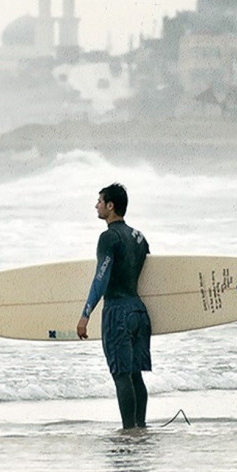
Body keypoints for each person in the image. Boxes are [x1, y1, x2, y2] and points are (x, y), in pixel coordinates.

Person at [77, 183, 152, 429]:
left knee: (121, 375)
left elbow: (101, 277)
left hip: (117, 312)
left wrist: (85, 315)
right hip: (139, 312)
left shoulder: (108, 237)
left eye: (100, 201)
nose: (96, 205)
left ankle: (129, 431)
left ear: (111, 206)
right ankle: (140, 428)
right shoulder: (139, 237)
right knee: (135, 375)